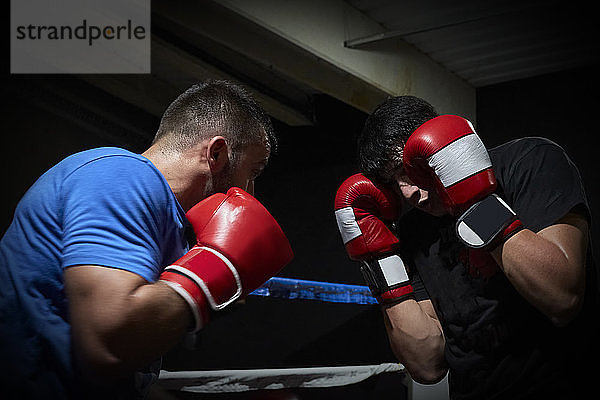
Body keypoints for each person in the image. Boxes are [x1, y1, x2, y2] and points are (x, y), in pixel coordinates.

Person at [0, 80, 293, 399]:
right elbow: (108, 346)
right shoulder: (121, 176)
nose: (250, 192)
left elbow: (127, 375)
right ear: (217, 153)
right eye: (253, 171)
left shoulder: (167, 224)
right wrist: (212, 272)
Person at [334, 95, 598, 399]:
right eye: (392, 183)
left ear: (432, 144)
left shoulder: (528, 162)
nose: (408, 194)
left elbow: (563, 298)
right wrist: (381, 259)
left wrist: (475, 201)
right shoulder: (413, 230)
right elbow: (427, 365)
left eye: (406, 170)